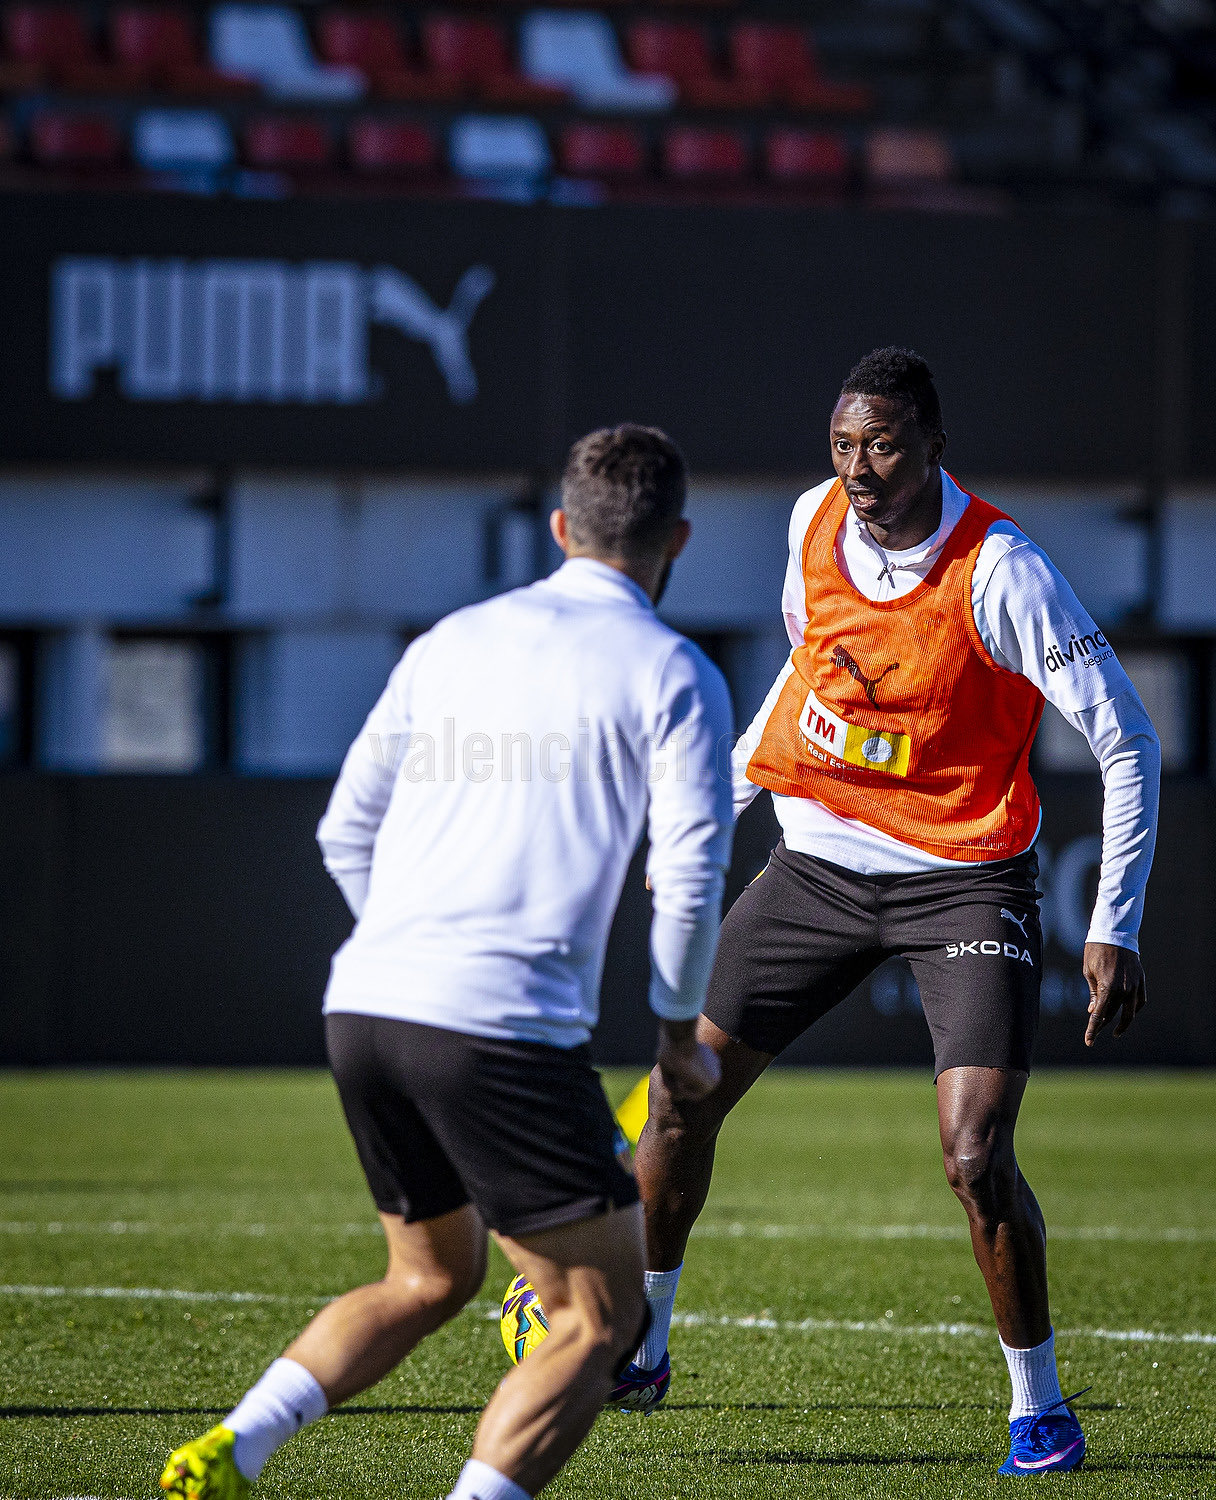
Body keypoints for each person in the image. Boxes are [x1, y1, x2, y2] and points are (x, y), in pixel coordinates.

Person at [159, 424, 734, 1500]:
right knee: (598, 1321)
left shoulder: (451, 640)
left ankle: (233, 1448)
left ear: (560, 528)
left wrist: (404, 948)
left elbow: (344, 831)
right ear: (679, 540)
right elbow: (693, 876)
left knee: (429, 1276)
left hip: (366, 1005)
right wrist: (674, 1034)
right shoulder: (674, 670)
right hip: (496, 1025)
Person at [627, 349, 1161, 1476]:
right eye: (840, 444)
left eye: (878, 445)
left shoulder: (1001, 569)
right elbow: (805, 671)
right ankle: (644, 1340)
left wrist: (1113, 920)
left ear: (931, 447)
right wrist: (719, 801)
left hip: (964, 878)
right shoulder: (812, 518)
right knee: (680, 1097)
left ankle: (1038, 1405)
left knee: (975, 1155)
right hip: (815, 867)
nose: (856, 469)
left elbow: (1124, 739)